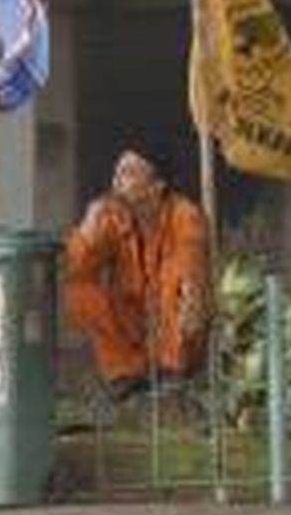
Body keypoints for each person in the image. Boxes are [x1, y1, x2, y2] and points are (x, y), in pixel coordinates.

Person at [64, 150, 211, 402]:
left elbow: (190, 267)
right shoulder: (111, 217)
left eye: (129, 173)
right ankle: (125, 373)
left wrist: (192, 302)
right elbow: (75, 270)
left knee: (177, 278)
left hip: (182, 327)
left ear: (157, 186)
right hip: (134, 325)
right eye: (117, 172)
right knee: (77, 289)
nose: (117, 181)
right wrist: (86, 231)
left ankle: (173, 372)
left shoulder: (184, 214)